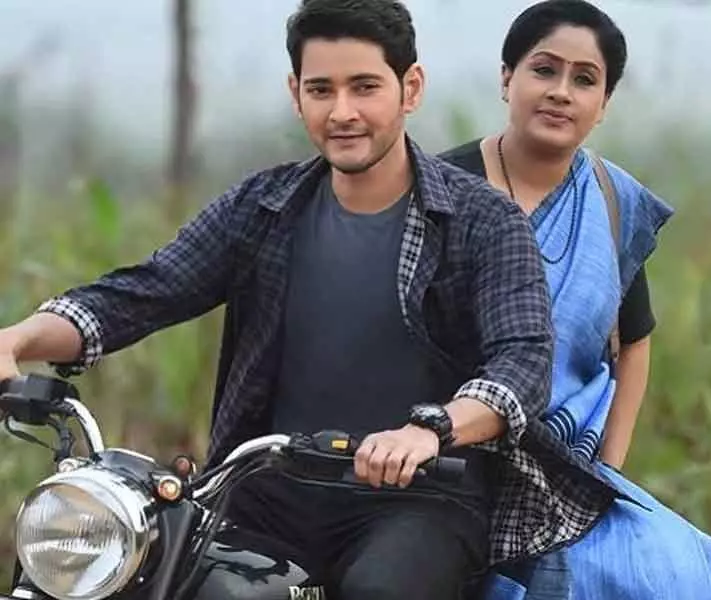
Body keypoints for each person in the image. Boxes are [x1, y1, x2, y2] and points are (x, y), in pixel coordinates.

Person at [0, 1, 611, 598]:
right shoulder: (263, 207)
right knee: (155, 575)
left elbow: (522, 362)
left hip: (422, 499)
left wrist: (430, 431)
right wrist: (18, 339)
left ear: (410, 88)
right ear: (297, 94)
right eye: (322, 90)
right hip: (268, 491)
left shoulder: (484, 220)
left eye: (364, 87)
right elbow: (148, 290)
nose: (342, 112)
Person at [439, 1, 711, 598]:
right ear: (507, 78)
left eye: (584, 79)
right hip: (453, 456)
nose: (561, 92)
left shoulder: (610, 200)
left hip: (571, 468)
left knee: (680, 566)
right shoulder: (442, 189)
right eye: (544, 70)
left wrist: (609, 466)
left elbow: (635, 341)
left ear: (604, 104)